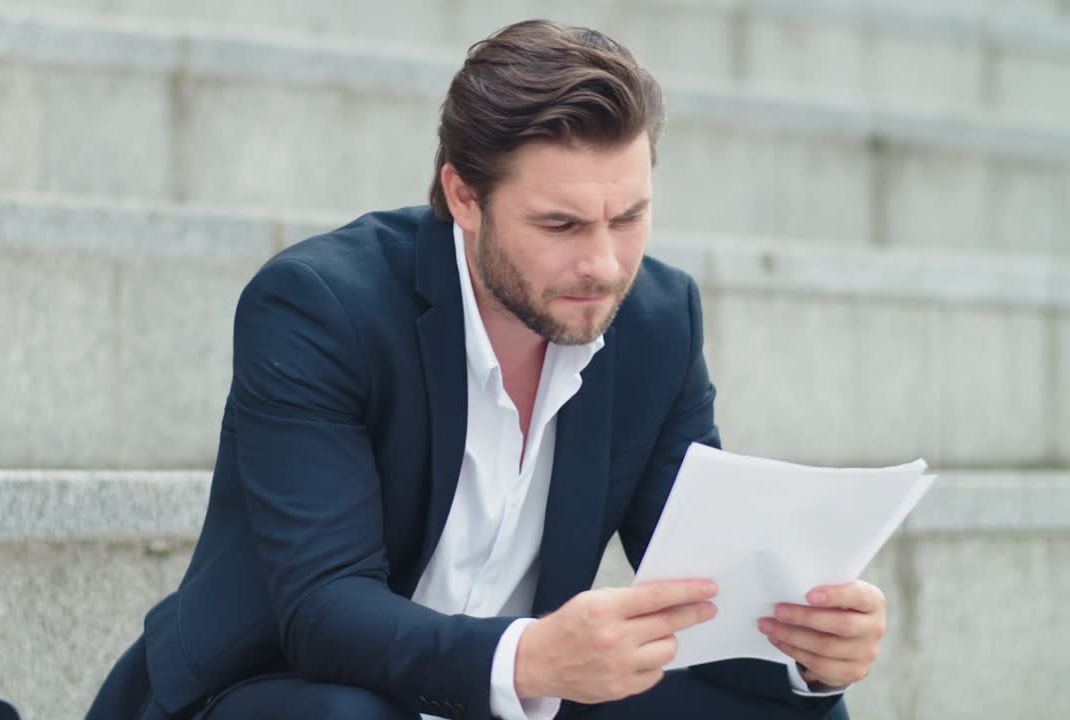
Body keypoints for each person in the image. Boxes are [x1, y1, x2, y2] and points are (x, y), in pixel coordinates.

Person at [87, 19, 886, 720]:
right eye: (560, 224)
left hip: (520, 697)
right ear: (463, 197)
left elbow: (702, 585)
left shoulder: (656, 319)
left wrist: (810, 646)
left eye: (629, 217)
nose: (604, 265)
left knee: (779, 704)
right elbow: (324, 612)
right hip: (277, 690)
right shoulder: (320, 306)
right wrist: (529, 660)